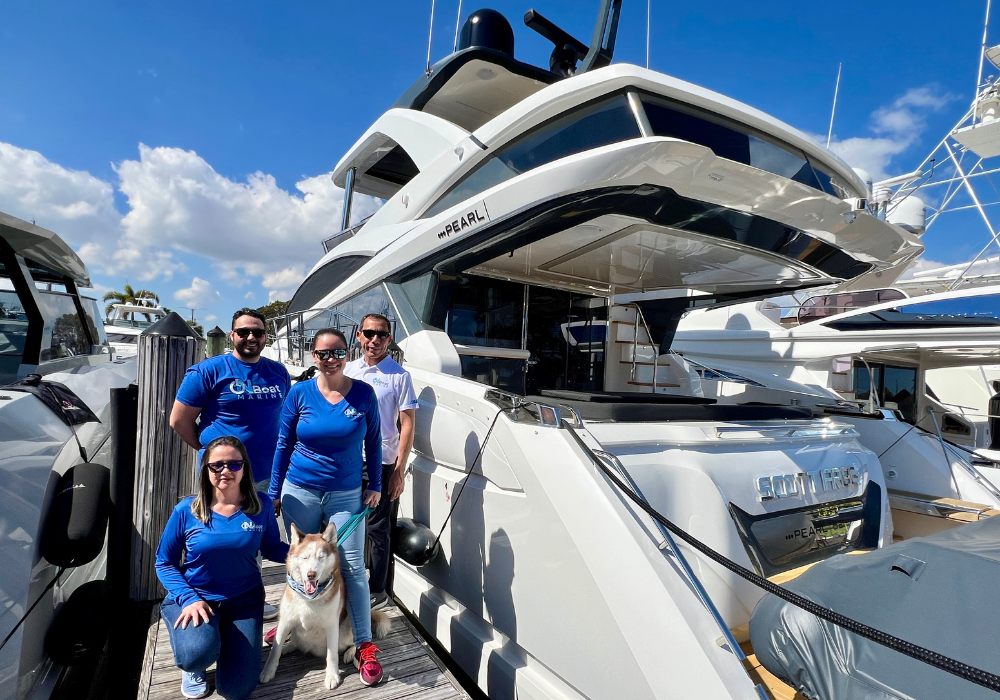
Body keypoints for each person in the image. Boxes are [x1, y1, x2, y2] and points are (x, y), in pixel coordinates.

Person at [268, 327, 386, 685]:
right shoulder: (299, 393)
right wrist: (274, 489)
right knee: (300, 563)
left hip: (346, 493)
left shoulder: (364, 394)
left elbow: (375, 441)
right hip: (300, 489)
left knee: (351, 566)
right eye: (322, 353)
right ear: (313, 356)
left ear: (347, 354)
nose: (329, 359)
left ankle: (364, 644)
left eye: (336, 352)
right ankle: (293, 626)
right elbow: (283, 443)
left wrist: (376, 485)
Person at [170, 307, 291, 621]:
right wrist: (207, 449)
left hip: (263, 473)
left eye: (258, 332)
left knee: (253, 535)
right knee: (211, 534)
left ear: (266, 336)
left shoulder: (278, 372)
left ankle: (247, 596)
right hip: (222, 473)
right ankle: (201, 596)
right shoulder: (207, 371)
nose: (251, 337)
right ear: (232, 335)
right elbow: (179, 420)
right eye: (244, 332)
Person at [155, 436, 288, 700]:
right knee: (195, 654)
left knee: (236, 690)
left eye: (233, 464)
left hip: (244, 603)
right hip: (197, 599)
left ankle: (222, 640)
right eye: (216, 465)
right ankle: (198, 660)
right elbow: (165, 562)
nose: (225, 470)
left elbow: (272, 547)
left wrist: (307, 551)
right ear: (205, 470)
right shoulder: (186, 510)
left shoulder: (260, 506)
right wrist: (189, 599)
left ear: (244, 468)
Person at [344, 313, 417, 609]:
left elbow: (408, 424)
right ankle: (347, 583)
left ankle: (378, 590)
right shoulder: (347, 370)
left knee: (378, 528)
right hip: (347, 461)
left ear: (389, 339)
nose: (375, 339)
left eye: (381, 335)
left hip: (383, 463)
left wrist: (399, 470)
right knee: (346, 525)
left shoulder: (399, 376)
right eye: (369, 333)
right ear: (359, 335)